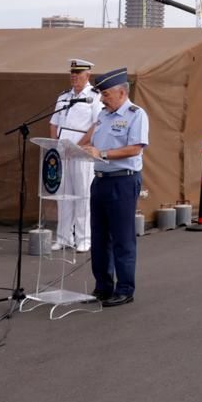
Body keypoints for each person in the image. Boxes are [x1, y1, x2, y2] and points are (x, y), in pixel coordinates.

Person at [78, 68, 149, 307]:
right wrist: (73, 148)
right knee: (99, 237)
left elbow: (135, 148)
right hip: (100, 180)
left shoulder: (135, 114)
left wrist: (103, 153)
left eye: (106, 94)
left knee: (122, 238)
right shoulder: (103, 116)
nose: (101, 98)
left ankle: (125, 288)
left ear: (121, 92)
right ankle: (103, 287)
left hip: (123, 180)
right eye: (101, 94)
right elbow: (85, 142)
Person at [50, 58, 101, 252]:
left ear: (87, 75)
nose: (74, 77)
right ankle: (63, 237)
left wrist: (78, 147)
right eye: (72, 73)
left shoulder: (94, 96)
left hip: (82, 153)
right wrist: (56, 146)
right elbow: (54, 123)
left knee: (82, 195)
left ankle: (83, 238)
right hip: (63, 153)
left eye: (78, 74)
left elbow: (96, 124)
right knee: (63, 195)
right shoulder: (64, 96)